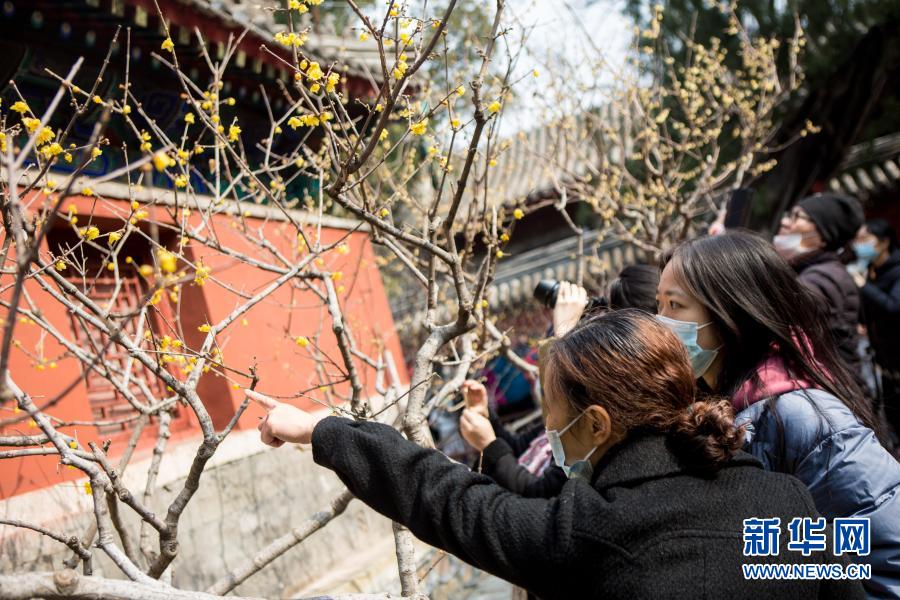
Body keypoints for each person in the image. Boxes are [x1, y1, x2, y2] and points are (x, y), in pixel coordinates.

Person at [247, 311, 864, 599]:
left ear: (595, 423)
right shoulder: (783, 502)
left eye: (553, 414)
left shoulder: (591, 532)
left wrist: (322, 427)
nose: (549, 428)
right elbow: (846, 582)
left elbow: (443, 495)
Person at [658, 231, 900, 598]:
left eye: (674, 306)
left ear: (731, 310)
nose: (660, 323)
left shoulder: (798, 414)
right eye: (657, 305)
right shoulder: (731, 405)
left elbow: (885, 548)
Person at [460, 266, 661, 496]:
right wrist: (487, 418)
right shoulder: (584, 397)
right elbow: (522, 446)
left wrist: (564, 335)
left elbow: (545, 493)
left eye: (611, 316)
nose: (601, 321)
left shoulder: (606, 410)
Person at [773, 193, 865, 378]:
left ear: (823, 236)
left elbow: (776, 315)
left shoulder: (823, 278)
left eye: (796, 217)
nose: (785, 222)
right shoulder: (810, 270)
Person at [854, 219, 900, 438]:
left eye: (865, 239)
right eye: (858, 240)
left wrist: (864, 286)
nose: (859, 245)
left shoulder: (897, 269)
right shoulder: (871, 270)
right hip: (885, 360)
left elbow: (893, 307)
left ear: (883, 243)